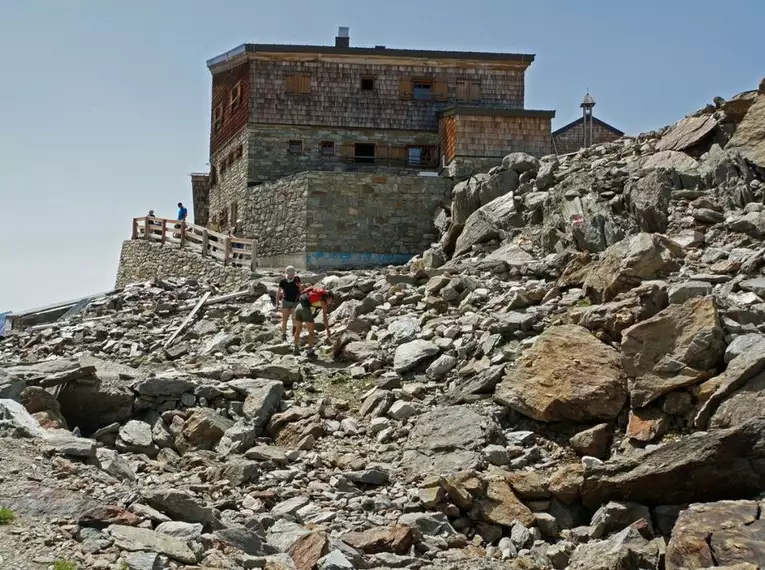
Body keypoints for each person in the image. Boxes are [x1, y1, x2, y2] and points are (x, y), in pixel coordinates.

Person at [293, 286, 334, 358]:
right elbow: (324, 319)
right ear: (328, 298)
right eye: (331, 300)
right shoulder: (323, 303)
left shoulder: (313, 296)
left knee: (298, 330)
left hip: (298, 307)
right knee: (311, 333)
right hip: (305, 310)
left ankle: (295, 348)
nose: (331, 302)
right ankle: (309, 351)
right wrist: (328, 330)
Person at [275, 266, 301, 341]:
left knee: (294, 318)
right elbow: (278, 293)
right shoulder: (283, 281)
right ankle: (284, 334)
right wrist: (277, 304)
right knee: (284, 319)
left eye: (292, 274)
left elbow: (300, 289)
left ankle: (295, 333)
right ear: (286, 274)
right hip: (286, 302)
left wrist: (301, 299)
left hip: (295, 302)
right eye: (290, 274)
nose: (291, 276)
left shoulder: (297, 279)